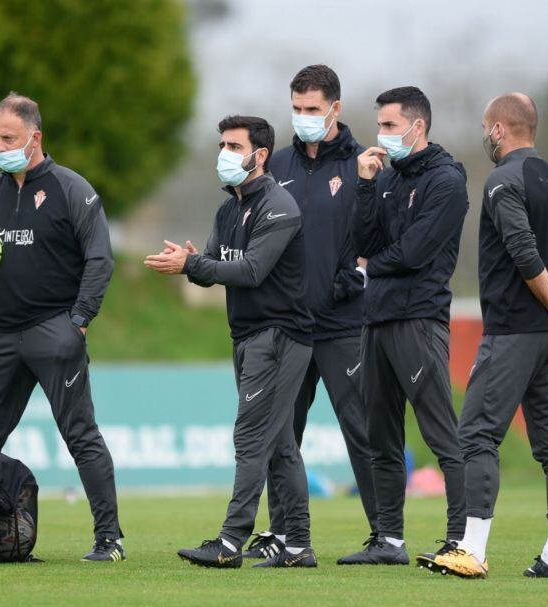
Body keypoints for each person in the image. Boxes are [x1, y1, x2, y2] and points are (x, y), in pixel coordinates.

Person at [0, 92, 125, 562]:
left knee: (80, 436)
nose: (0, 145)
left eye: (9, 137)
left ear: (35, 137)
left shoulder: (71, 188)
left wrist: (79, 321)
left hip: (53, 331)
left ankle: (110, 539)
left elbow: (100, 260)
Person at [431, 92, 548, 580]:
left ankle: (473, 549)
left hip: (514, 330)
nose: (485, 135)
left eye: (486, 127)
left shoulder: (503, 180)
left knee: (477, 434)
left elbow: (523, 250)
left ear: (499, 130)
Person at [144, 115, 318, 568]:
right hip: (246, 336)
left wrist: (192, 265)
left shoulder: (280, 206)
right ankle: (298, 547)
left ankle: (229, 543)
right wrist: (190, 261)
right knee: (279, 444)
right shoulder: (227, 210)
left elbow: (250, 271)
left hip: (280, 335)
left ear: (260, 156)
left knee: (251, 435)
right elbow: (212, 270)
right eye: (222, 144)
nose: (225, 153)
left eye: (235, 146)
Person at [241, 64, 377, 562]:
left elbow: (378, 235)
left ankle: (385, 534)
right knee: (281, 437)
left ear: (335, 109)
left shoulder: (365, 163)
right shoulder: (275, 165)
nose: (303, 118)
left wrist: (357, 273)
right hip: (288, 326)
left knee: (361, 430)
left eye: (312, 110)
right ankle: (284, 535)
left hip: (343, 322)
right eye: (296, 109)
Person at [344, 86, 469, 566]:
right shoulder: (390, 178)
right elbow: (364, 237)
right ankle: (389, 541)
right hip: (375, 319)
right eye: (380, 125)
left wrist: (370, 266)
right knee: (381, 436)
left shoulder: (446, 180)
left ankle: (461, 539)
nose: (382, 134)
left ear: (418, 126)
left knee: (441, 435)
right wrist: (365, 185)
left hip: (418, 319)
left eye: (391, 125)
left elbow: (415, 252)